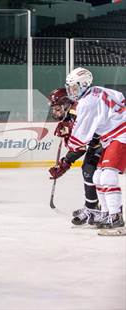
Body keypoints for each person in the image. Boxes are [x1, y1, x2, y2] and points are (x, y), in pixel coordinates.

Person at [49, 68, 125, 230]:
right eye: (70, 88)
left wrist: (68, 138)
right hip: (110, 136)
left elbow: (79, 142)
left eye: (74, 88)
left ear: (84, 85)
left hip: (119, 134)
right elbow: (120, 99)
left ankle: (115, 216)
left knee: (103, 174)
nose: (72, 91)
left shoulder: (85, 104)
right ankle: (104, 212)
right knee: (97, 176)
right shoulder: (97, 91)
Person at [48, 87, 105, 226]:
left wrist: (65, 163)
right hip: (98, 144)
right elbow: (80, 144)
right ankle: (92, 208)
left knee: (93, 172)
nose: (55, 113)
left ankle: (102, 211)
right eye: (53, 109)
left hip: (107, 141)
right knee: (89, 171)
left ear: (66, 104)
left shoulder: (77, 111)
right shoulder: (71, 114)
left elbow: (80, 146)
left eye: (57, 108)